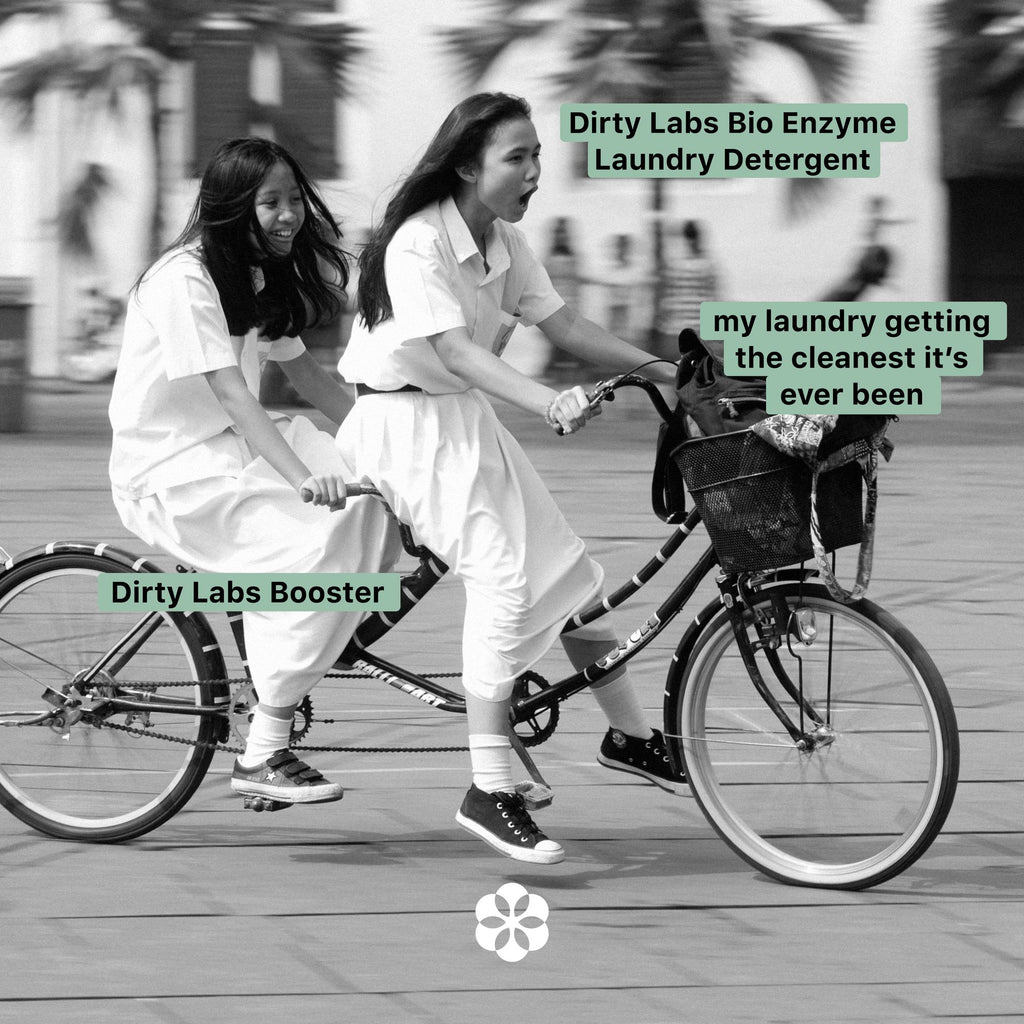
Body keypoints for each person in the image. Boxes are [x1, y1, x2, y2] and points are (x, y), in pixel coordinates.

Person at [336, 92, 685, 866]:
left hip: (459, 422)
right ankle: (488, 787)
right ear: (467, 164)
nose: (535, 172)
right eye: (517, 157)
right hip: (401, 428)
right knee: (502, 579)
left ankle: (632, 738)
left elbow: (566, 328)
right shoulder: (417, 244)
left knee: (569, 572)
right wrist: (545, 400)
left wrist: (675, 373)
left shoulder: (503, 243)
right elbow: (457, 352)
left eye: (537, 157)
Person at [108, 137, 399, 808]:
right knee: (318, 539)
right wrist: (302, 477)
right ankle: (265, 744)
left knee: (379, 491)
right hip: (174, 473)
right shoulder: (183, 278)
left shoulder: (253, 274)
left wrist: (395, 439)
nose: (288, 214)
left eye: (295, 199)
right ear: (232, 207)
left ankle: (282, 669)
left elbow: (307, 377)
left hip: (231, 454)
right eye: (270, 202)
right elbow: (237, 400)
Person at [655, 218, 720, 359]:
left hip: (683, 326)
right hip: (692, 326)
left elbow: (666, 296)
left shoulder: (675, 264)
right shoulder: (707, 264)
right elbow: (714, 298)